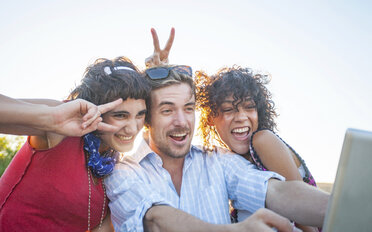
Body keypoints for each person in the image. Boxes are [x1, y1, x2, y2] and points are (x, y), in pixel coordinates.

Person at [105, 33, 329, 231]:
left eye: (189, 108)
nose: (181, 121)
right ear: (147, 118)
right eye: (167, 110)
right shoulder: (124, 172)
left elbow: (276, 192)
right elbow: (155, 220)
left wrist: (344, 209)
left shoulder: (218, 161)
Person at [0, 56, 151, 232]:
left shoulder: (113, 165)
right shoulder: (61, 123)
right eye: (120, 115)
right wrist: (52, 119)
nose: (133, 128)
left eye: (140, 114)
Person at [195, 67, 320, 231]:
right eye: (228, 109)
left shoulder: (263, 141)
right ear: (211, 118)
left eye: (249, 107)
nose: (241, 117)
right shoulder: (228, 162)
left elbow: (305, 215)